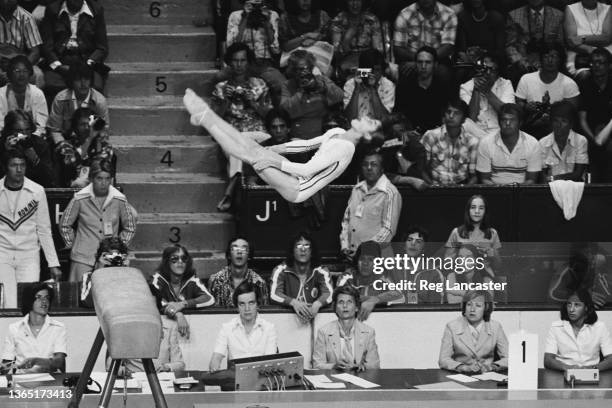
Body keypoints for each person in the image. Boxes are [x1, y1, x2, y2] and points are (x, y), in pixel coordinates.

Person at [184, 88, 381, 204]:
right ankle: (205, 116)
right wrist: (275, 150)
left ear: (366, 134)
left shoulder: (346, 148)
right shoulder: (337, 132)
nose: (366, 116)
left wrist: (270, 158)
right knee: (250, 145)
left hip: (297, 189)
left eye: (371, 122)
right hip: (294, 176)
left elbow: (307, 170)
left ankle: (205, 119)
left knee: (252, 155)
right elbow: (304, 146)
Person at [211, 42, 272, 211]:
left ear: (248, 62)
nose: (239, 65)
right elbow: (214, 119)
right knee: (237, 146)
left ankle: (231, 191)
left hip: (258, 132)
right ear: (229, 63)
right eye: (235, 60)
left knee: (240, 146)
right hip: (232, 134)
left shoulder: (259, 84)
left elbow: (269, 116)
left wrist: (251, 101)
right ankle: (240, 187)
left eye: (243, 60)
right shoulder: (221, 88)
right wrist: (226, 101)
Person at [0, 149, 60, 309]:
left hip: (29, 255)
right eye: (14, 165)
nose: (19, 170)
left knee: (27, 302)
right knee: (8, 303)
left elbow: (44, 230)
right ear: (6, 167)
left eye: (22, 165)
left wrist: (53, 263)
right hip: (2, 255)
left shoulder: (37, 191)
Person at [59, 158, 137, 282]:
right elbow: (65, 224)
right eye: (99, 178)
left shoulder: (119, 199)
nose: (104, 183)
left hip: (110, 259)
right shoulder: (80, 198)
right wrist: (75, 244)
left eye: (107, 179)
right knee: (80, 296)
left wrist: (118, 246)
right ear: (91, 179)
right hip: (83, 259)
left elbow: (130, 227)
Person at [340, 148, 401, 258]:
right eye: (365, 164)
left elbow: (388, 230)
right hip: (352, 256)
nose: (369, 168)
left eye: (374, 164)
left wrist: (364, 252)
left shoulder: (390, 192)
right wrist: (345, 246)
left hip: (377, 257)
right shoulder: (356, 189)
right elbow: (346, 220)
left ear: (382, 169)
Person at [40, 0, 109, 98]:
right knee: (52, 86)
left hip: (86, 62)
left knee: (95, 87)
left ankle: (89, 113)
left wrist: (88, 64)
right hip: (61, 61)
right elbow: (47, 46)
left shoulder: (96, 10)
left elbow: (102, 48)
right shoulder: (53, 10)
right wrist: (58, 66)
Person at [209, 281, 278, 372]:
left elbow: (270, 363)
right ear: (237, 306)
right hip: (235, 380)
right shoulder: (227, 328)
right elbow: (217, 356)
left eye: (251, 303)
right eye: (242, 304)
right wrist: (214, 365)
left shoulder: (269, 328)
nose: (247, 309)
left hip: (261, 380)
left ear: (258, 304)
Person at [515, 43, 580, 139]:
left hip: (559, 132)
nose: (550, 60)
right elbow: (518, 104)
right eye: (546, 56)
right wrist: (525, 106)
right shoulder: (526, 79)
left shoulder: (569, 84)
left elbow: (572, 115)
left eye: (554, 56)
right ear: (540, 59)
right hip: (530, 130)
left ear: (560, 59)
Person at [149, 244, 215, 338]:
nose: (180, 262)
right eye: (174, 259)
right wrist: (178, 314)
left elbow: (209, 299)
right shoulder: (157, 279)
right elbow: (157, 303)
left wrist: (183, 304)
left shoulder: (192, 280)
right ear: (167, 262)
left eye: (184, 258)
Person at [0, 282, 66, 374]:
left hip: (51, 380)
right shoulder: (14, 328)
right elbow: (6, 364)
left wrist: (36, 361)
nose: (44, 301)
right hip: (22, 381)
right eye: (39, 297)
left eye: (47, 297)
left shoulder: (58, 328)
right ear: (29, 301)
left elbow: (58, 362)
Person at [225, 0, 285, 99]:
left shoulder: (272, 15)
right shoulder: (236, 16)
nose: (255, 7)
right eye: (253, 4)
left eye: (258, 4)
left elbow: (276, 49)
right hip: (242, 63)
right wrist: (245, 18)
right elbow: (232, 47)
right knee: (218, 78)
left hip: (264, 63)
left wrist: (267, 22)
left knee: (281, 85)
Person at [312, 284, 380, 370]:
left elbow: (375, 365)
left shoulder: (369, 332)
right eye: (341, 302)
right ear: (335, 308)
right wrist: (334, 366)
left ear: (356, 308)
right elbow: (317, 365)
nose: (345, 306)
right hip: (334, 380)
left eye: (349, 302)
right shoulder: (324, 331)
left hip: (360, 380)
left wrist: (362, 367)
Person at [280, 50, 344, 139]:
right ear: (293, 70)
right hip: (299, 133)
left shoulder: (321, 80)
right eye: (299, 69)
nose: (304, 72)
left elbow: (339, 96)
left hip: (323, 131)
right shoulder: (288, 85)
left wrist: (322, 86)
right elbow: (286, 110)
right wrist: (301, 90)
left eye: (307, 68)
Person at [270, 231, 333, 322]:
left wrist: (317, 304)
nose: (303, 249)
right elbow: (274, 295)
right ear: (292, 251)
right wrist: (293, 302)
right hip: (287, 323)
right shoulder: (280, 270)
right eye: (299, 245)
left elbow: (329, 294)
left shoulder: (321, 271)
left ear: (312, 251)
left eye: (307, 246)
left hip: (316, 322)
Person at [439, 290, 508, 373]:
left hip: (487, 376)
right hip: (461, 376)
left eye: (478, 305)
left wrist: (492, 366)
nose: (472, 309)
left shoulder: (495, 327)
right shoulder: (452, 326)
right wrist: (461, 367)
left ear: (486, 308)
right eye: (469, 304)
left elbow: (509, 358)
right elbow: (443, 359)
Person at [544, 289, 612, 371]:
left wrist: (591, 369)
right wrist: (568, 368)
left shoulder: (600, 327)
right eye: (569, 304)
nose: (571, 309)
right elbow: (548, 360)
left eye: (577, 305)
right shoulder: (556, 327)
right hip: (563, 374)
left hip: (591, 374)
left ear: (586, 308)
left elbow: (610, 359)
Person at [421, 98, 484, 185]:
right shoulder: (430, 136)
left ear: (464, 119)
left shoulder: (472, 142)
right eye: (448, 112)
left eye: (456, 113)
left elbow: (473, 176)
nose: (451, 116)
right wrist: (432, 188)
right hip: (434, 188)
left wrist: (464, 192)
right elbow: (422, 170)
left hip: (461, 190)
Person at [476, 103, 542, 184]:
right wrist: (500, 193)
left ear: (520, 123)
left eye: (512, 120)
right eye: (504, 119)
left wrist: (515, 194)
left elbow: (531, 180)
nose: (507, 123)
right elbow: (485, 179)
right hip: (493, 192)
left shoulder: (533, 144)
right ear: (499, 122)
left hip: (522, 192)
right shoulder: (486, 142)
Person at [337, 241, 404, 321]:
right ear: (357, 260)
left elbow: (400, 296)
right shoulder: (348, 276)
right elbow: (339, 297)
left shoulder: (382, 276)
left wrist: (375, 300)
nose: (365, 263)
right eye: (362, 259)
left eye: (370, 259)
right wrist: (368, 300)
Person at [47, 62, 109, 146]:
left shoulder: (99, 101)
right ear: (72, 81)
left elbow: (103, 130)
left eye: (86, 79)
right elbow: (55, 130)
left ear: (91, 81)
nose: (83, 84)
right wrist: (64, 147)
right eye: (78, 79)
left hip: (91, 143)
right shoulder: (60, 99)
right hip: (65, 141)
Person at [394, 46, 453, 133]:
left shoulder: (445, 86)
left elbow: (450, 114)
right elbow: (398, 113)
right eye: (420, 62)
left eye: (428, 62)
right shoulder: (404, 86)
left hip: (437, 134)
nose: (423, 66)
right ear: (415, 64)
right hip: (411, 133)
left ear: (435, 65)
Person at [505, 0, 564, 86]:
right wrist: (522, 62)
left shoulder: (558, 15)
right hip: (523, 63)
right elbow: (510, 46)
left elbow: (560, 46)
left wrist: (549, 62)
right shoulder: (513, 15)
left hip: (549, 61)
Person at [56, 107, 114, 188]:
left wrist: (98, 140)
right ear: (75, 127)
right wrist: (89, 139)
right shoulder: (65, 146)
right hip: (70, 191)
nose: (87, 128)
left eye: (89, 124)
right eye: (83, 124)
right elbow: (72, 164)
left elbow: (100, 167)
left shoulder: (104, 146)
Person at [460, 53, 515, 137]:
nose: (488, 73)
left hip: (499, 131)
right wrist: (476, 89)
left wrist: (487, 92)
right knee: (465, 123)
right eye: (485, 69)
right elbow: (471, 117)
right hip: (476, 132)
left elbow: (508, 113)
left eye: (492, 70)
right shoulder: (466, 86)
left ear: (498, 72)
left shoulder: (505, 84)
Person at [107, 316, 185, 375]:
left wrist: (166, 367)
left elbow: (180, 364)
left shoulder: (168, 328)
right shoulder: (128, 329)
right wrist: (121, 371)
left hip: (160, 379)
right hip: (134, 379)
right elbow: (110, 363)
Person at [393, 0, 457, 71]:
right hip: (411, 60)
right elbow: (398, 48)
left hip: (438, 61)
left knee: (444, 73)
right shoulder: (404, 14)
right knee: (406, 74)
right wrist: (419, 61)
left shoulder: (448, 14)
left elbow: (448, 47)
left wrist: (426, 61)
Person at [388, 226, 445, 304]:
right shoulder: (391, 268)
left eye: (418, 241)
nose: (413, 243)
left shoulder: (434, 273)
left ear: (424, 248)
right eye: (409, 240)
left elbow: (435, 309)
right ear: (404, 246)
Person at [579, 48, 612, 182]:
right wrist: (594, 140)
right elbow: (582, 121)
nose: (596, 66)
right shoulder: (585, 84)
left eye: (601, 62)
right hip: (590, 134)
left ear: (609, 65)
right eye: (593, 63)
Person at [0, 109, 56, 187]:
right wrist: (7, 154)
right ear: (9, 130)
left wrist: (36, 160)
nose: (24, 135)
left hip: (34, 191)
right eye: (19, 131)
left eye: (27, 130)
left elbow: (50, 179)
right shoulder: (2, 144)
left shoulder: (40, 145)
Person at [208, 236, 269, 307]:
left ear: (249, 255)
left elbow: (264, 312)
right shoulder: (215, 280)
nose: (239, 252)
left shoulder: (259, 283)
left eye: (244, 248)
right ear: (229, 255)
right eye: (235, 248)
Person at [548, 243, 611, 309]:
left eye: (592, 253)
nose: (591, 256)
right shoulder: (566, 270)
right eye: (586, 252)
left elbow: (607, 294)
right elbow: (552, 294)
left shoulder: (596, 269)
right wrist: (581, 297)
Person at [539, 101, 588, 181]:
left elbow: (578, 174)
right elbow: (542, 175)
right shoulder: (543, 143)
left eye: (564, 121)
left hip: (575, 187)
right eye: (556, 121)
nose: (559, 125)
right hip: (551, 188)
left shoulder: (580, 140)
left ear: (571, 124)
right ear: (551, 122)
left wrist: (555, 178)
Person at [330, 0, 383, 74]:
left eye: (358, 0)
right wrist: (347, 39)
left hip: (368, 60)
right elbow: (336, 54)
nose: (355, 4)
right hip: (347, 62)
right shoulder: (339, 20)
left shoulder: (371, 19)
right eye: (351, 0)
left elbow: (377, 50)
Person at [444, 194, 502, 263]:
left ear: (485, 211)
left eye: (481, 208)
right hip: (462, 272)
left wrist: (493, 254)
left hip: (485, 273)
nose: (477, 211)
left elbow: (499, 265)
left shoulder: (492, 233)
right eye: (473, 207)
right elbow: (447, 263)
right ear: (468, 210)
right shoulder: (456, 233)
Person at [0, 0, 44, 88]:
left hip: (19, 62)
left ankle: (31, 101)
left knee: (38, 75)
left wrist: (19, 70)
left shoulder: (27, 18)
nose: (6, 1)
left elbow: (35, 52)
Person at [0, 55, 47, 137]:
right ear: (10, 74)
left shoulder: (37, 93)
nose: (21, 75)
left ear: (30, 73)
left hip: (32, 137)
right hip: (5, 137)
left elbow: (41, 125)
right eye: (17, 71)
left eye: (25, 71)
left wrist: (30, 139)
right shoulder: (1, 94)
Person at [380, 112, 429, 190]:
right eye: (393, 133)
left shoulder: (417, 148)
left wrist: (401, 153)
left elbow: (419, 177)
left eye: (401, 131)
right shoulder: (382, 149)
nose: (397, 136)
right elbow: (377, 176)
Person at [343, 48, 395, 121]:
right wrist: (356, 89)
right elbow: (350, 118)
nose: (373, 74)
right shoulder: (350, 84)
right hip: (355, 129)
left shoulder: (388, 85)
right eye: (370, 71)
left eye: (377, 70)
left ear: (382, 70)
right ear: (362, 69)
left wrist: (373, 89)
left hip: (378, 129)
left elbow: (383, 119)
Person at [79, 236, 130, 308]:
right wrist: (99, 270)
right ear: (98, 257)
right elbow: (88, 302)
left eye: (118, 256)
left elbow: (135, 302)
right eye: (108, 256)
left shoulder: (132, 278)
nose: (113, 260)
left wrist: (128, 271)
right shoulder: (88, 277)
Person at [564, 0, 612, 76]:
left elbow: (607, 38)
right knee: (585, 75)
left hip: (606, 54)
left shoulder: (608, 8)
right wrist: (591, 50)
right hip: (580, 56)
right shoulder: (571, 9)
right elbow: (571, 41)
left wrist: (582, 39)